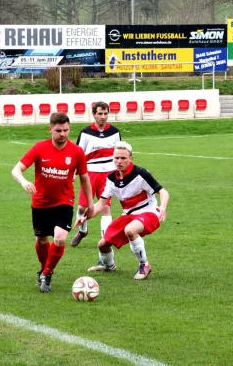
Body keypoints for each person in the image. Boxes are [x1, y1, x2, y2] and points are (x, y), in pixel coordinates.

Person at [12, 112, 94, 293]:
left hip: (64, 201)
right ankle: (43, 269)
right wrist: (24, 181)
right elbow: (16, 170)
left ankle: (48, 273)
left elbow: (85, 179)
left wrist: (90, 203)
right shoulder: (40, 148)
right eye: (58, 130)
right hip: (40, 202)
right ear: (50, 129)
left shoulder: (76, 152)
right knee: (42, 241)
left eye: (66, 130)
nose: (63, 134)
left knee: (59, 238)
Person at [74, 141, 169, 280]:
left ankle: (144, 265)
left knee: (130, 230)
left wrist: (163, 207)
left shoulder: (141, 173)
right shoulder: (111, 179)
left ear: (131, 158)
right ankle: (109, 266)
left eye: (123, 158)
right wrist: (85, 217)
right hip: (128, 215)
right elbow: (101, 204)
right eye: (116, 158)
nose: (119, 161)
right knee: (102, 245)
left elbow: (163, 192)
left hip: (149, 212)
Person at [70, 101, 121, 248]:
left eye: (105, 114)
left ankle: (105, 241)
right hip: (89, 174)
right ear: (93, 114)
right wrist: (73, 172)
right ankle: (82, 231)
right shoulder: (85, 133)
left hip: (108, 175)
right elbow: (77, 155)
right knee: (81, 208)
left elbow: (118, 154)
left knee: (105, 207)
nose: (103, 117)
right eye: (100, 113)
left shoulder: (115, 132)